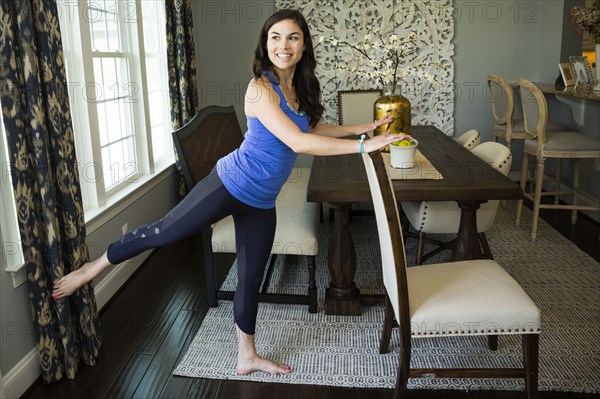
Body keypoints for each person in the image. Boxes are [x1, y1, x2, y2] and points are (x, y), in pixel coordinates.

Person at [52, 9, 406, 376]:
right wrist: (366, 147)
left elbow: (312, 126)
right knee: (162, 232)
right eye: (275, 37)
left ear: (303, 47)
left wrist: (364, 128)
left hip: (262, 200)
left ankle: (246, 355)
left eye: (293, 38)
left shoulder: (298, 87)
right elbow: (300, 141)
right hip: (228, 184)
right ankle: (90, 269)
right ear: (265, 44)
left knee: (250, 276)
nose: (283, 45)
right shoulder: (260, 88)